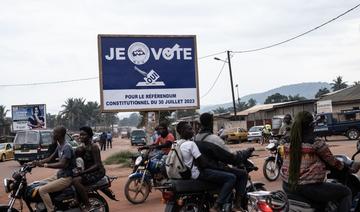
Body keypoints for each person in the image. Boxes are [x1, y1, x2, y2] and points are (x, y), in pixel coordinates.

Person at [281, 111, 360, 212]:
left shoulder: (287, 142)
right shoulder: (315, 142)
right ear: (311, 125)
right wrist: (350, 169)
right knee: (346, 192)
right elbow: (333, 163)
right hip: (308, 188)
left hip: (287, 187)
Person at [195, 113, 251, 211]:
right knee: (242, 174)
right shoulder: (213, 139)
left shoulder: (196, 137)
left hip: (200, 168)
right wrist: (245, 153)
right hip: (212, 168)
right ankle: (235, 205)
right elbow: (230, 156)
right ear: (211, 122)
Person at [176, 121, 236, 212]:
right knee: (231, 177)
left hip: (185, 173)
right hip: (196, 174)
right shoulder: (191, 144)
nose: (193, 131)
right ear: (183, 131)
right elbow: (203, 163)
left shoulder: (176, 143)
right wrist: (216, 166)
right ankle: (217, 206)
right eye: (190, 129)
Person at [33, 126, 76, 212]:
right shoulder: (60, 145)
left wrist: (44, 165)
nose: (53, 135)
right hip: (60, 175)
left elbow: (62, 164)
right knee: (36, 184)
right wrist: (36, 162)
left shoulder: (67, 147)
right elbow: (50, 159)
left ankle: (50, 210)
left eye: (54, 133)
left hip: (67, 177)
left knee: (42, 190)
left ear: (60, 135)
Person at [72, 126, 106, 211]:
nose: (81, 136)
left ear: (89, 136)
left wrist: (83, 172)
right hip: (88, 171)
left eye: (83, 135)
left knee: (76, 180)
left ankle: (87, 204)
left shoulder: (94, 146)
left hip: (97, 172)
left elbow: (97, 164)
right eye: (80, 135)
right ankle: (76, 198)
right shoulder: (82, 146)